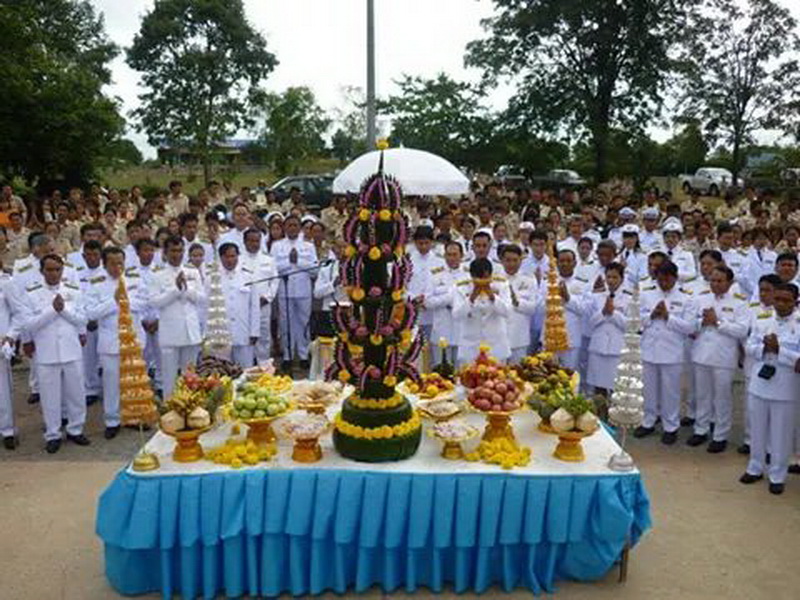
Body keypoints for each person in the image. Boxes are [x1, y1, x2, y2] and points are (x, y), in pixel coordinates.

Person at [22, 254, 88, 453]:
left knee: (76, 393)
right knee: (50, 397)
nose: (54, 274)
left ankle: (76, 429)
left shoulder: (73, 291)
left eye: (57, 269)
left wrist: (63, 311)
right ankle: (53, 434)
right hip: (46, 352)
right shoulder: (32, 294)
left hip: (71, 349)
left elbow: (82, 319)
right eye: (49, 270)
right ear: (42, 271)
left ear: (62, 271)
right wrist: (52, 311)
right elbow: (29, 324)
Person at [740, 282, 800, 495]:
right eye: (778, 299)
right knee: (757, 431)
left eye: (786, 300)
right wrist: (764, 348)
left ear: (796, 302)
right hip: (760, 383)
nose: (781, 304)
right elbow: (749, 347)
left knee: (780, 434)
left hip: (786, 388)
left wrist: (780, 350)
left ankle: (777, 475)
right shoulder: (763, 319)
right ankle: (755, 468)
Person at [84, 247, 149, 439]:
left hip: (133, 338)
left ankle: (135, 417)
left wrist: (125, 301)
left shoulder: (135, 280)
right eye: (112, 263)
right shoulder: (96, 284)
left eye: (120, 262)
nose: (117, 267)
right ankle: (112, 420)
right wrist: (113, 302)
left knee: (134, 381)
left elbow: (145, 303)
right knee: (111, 382)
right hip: (110, 341)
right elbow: (91, 313)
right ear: (104, 264)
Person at [688, 265, 748, 453]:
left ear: (729, 282)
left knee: (722, 398)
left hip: (723, 357)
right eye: (713, 280)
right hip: (701, 354)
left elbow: (742, 330)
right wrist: (701, 322)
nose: (715, 284)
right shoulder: (700, 299)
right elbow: (690, 324)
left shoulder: (739, 303)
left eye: (720, 281)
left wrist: (718, 322)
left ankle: (720, 435)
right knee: (702, 395)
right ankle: (701, 429)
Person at [636, 261, 694, 445]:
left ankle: (671, 426)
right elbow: (636, 321)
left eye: (667, 280)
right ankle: (648, 421)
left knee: (670, 392)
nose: (663, 283)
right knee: (648, 390)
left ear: (675, 278)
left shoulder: (686, 298)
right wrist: (652, 315)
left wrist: (668, 316)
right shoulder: (647, 295)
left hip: (671, 351)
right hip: (649, 349)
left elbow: (690, 327)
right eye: (660, 279)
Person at [151, 236, 205, 399]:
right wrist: (175, 290)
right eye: (173, 251)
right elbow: (155, 302)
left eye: (180, 250)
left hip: (190, 331)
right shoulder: (157, 275)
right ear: (165, 253)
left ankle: (191, 407)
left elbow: (202, 298)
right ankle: (169, 408)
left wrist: (186, 290)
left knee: (190, 377)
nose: (177, 254)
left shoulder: (192, 272)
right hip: (170, 333)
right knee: (169, 378)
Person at [739, 273, 780, 455]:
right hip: (754, 363)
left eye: (768, 290)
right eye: (761, 290)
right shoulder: (751, 309)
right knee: (752, 407)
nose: (763, 294)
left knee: (774, 409)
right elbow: (745, 336)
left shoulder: (787, 313)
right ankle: (750, 441)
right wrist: (759, 349)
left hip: (779, 367)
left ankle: (771, 447)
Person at [271, 214, 316, 371]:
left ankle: (303, 355)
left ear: (300, 228)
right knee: (285, 324)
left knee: (304, 323)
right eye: (289, 225)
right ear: (284, 227)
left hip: (303, 290)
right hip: (285, 290)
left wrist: (299, 261)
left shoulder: (308, 246)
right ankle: (288, 356)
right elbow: (273, 268)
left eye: (295, 225)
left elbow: (315, 269)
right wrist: (289, 262)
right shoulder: (277, 246)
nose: (292, 228)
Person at [452, 258, 512, 365]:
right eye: (479, 278)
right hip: (471, 347)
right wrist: (471, 298)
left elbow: (507, 312)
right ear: (472, 276)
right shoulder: (461, 287)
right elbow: (456, 315)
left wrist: (492, 297)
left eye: (485, 278)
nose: (482, 281)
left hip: (496, 347)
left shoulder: (502, 285)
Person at [586, 262, 632, 394]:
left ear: (622, 279)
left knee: (616, 387)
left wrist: (613, 314)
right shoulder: (596, 296)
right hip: (598, 346)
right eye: (608, 277)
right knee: (598, 388)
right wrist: (603, 313)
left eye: (615, 277)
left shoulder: (629, 298)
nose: (611, 281)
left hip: (616, 348)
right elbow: (590, 323)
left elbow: (630, 326)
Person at [215, 243, 260, 367]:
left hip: (243, 331)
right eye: (226, 257)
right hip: (221, 333)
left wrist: (254, 331)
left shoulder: (248, 276)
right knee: (221, 371)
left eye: (233, 256)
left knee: (245, 369)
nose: (230, 260)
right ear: (221, 258)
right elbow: (206, 306)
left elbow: (254, 306)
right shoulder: (213, 278)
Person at [426, 241, 469, 364]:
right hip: (442, 329)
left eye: (455, 254)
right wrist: (448, 299)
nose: (452, 258)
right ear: (444, 255)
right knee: (440, 370)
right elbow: (427, 302)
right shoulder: (435, 274)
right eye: (449, 255)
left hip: (462, 331)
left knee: (462, 371)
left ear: (461, 255)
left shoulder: (469, 274)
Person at [240, 228, 278, 363]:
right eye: (251, 241)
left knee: (264, 336)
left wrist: (267, 297)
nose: (254, 244)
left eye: (257, 241)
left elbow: (275, 281)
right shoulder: (238, 260)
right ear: (245, 242)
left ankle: (264, 365)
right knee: (246, 335)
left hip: (263, 304)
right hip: (245, 305)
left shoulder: (268, 259)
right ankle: (247, 365)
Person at [549, 249, 588, 370]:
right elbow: (538, 308)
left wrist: (568, 298)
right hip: (550, 336)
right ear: (556, 263)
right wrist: (552, 297)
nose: (565, 264)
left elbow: (584, 310)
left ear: (575, 263)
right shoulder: (548, 281)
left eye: (568, 261)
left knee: (570, 374)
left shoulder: (583, 283)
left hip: (571, 337)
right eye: (561, 261)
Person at [500, 244, 539, 363]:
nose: (511, 264)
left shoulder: (529, 279)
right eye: (508, 260)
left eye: (515, 260)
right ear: (502, 261)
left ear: (521, 260)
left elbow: (533, 308)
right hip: (498, 337)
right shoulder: (495, 279)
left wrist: (517, 302)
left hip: (519, 338)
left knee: (518, 372)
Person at [406, 226, 444, 343]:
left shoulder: (440, 261)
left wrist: (427, 299)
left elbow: (442, 285)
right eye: (420, 243)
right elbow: (402, 285)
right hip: (412, 309)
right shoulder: (407, 261)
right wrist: (413, 298)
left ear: (432, 242)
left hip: (433, 312)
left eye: (426, 243)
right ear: (415, 242)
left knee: (433, 346)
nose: (423, 247)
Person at [0, 273, 20, 449]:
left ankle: (7, 431)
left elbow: (18, 313)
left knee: (3, 391)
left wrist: (10, 336)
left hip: (1, 343)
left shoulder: (6, 283)